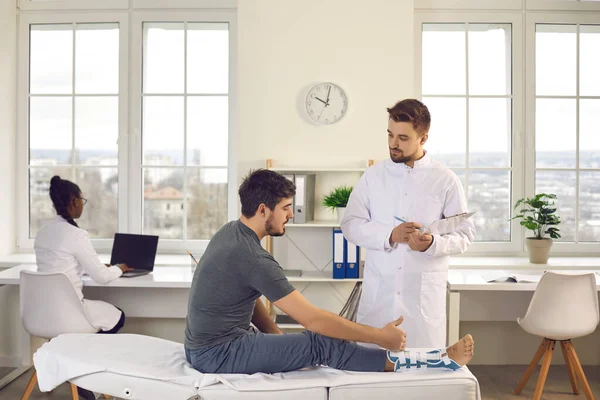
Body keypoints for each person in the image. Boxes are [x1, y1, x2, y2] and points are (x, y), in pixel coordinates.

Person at [184, 169, 474, 375]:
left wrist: (277, 338)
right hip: (217, 354)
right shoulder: (254, 257)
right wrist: (379, 337)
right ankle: (434, 361)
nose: (290, 214)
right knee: (319, 343)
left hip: (210, 346)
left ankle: (431, 357)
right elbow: (313, 320)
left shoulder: (231, 232)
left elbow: (249, 299)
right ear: (263, 209)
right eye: (285, 208)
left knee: (313, 340)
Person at [340, 99, 476, 348]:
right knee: (372, 373)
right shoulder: (373, 177)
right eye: (390, 135)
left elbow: (465, 234)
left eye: (403, 138)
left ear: (423, 138)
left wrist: (432, 244)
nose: (393, 144)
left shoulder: (445, 179)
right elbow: (350, 224)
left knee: (422, 372)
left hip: (422, 302)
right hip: (379, 300)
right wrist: (390, 234)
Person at [34, 176, 134, 399]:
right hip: (69, 314)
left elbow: (61, 266)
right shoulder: (76, 234)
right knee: (118, 317)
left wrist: (93, 267)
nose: (82, 204)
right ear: (73, 201)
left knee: (89, 329)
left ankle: (74, 367)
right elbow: (102, 277)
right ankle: (84, 374)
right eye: (82, 200)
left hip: (41, 315)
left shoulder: (44, 232)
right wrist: (119, 268)